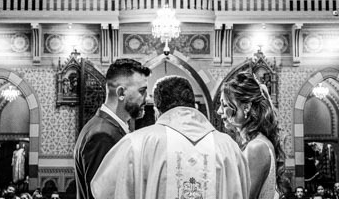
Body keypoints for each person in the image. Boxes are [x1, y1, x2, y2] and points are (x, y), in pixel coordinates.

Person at [91, 74, 250, 199]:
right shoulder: (228, 147)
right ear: (193, 106)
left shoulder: (135, 144)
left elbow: (103, 190)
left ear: (156, 111)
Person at [74, 58, 151, 199]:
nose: (146, 99)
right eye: (142, 91)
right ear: (121, 93)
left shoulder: (107, 127)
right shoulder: (102, 135)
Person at [218, 71, 285, 199]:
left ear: (246, 107)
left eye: (225, 105)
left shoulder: (257, 147)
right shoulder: (254, 143)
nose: (219, 111)